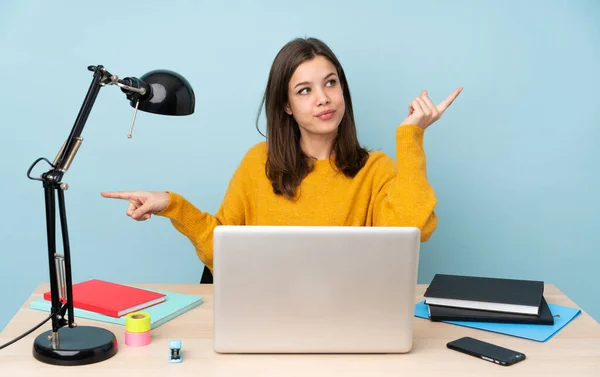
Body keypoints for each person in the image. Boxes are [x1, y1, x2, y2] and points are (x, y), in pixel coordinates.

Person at [101, 37, 462, 276]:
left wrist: (411, 136)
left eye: (331, 83)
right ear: (286, 105)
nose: (323, 98)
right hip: (265, 319)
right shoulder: (259, 163)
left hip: (348, 320)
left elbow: (410, 231)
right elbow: (222, 252)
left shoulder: (376, 169)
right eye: (305, 90)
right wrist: (172, 205)